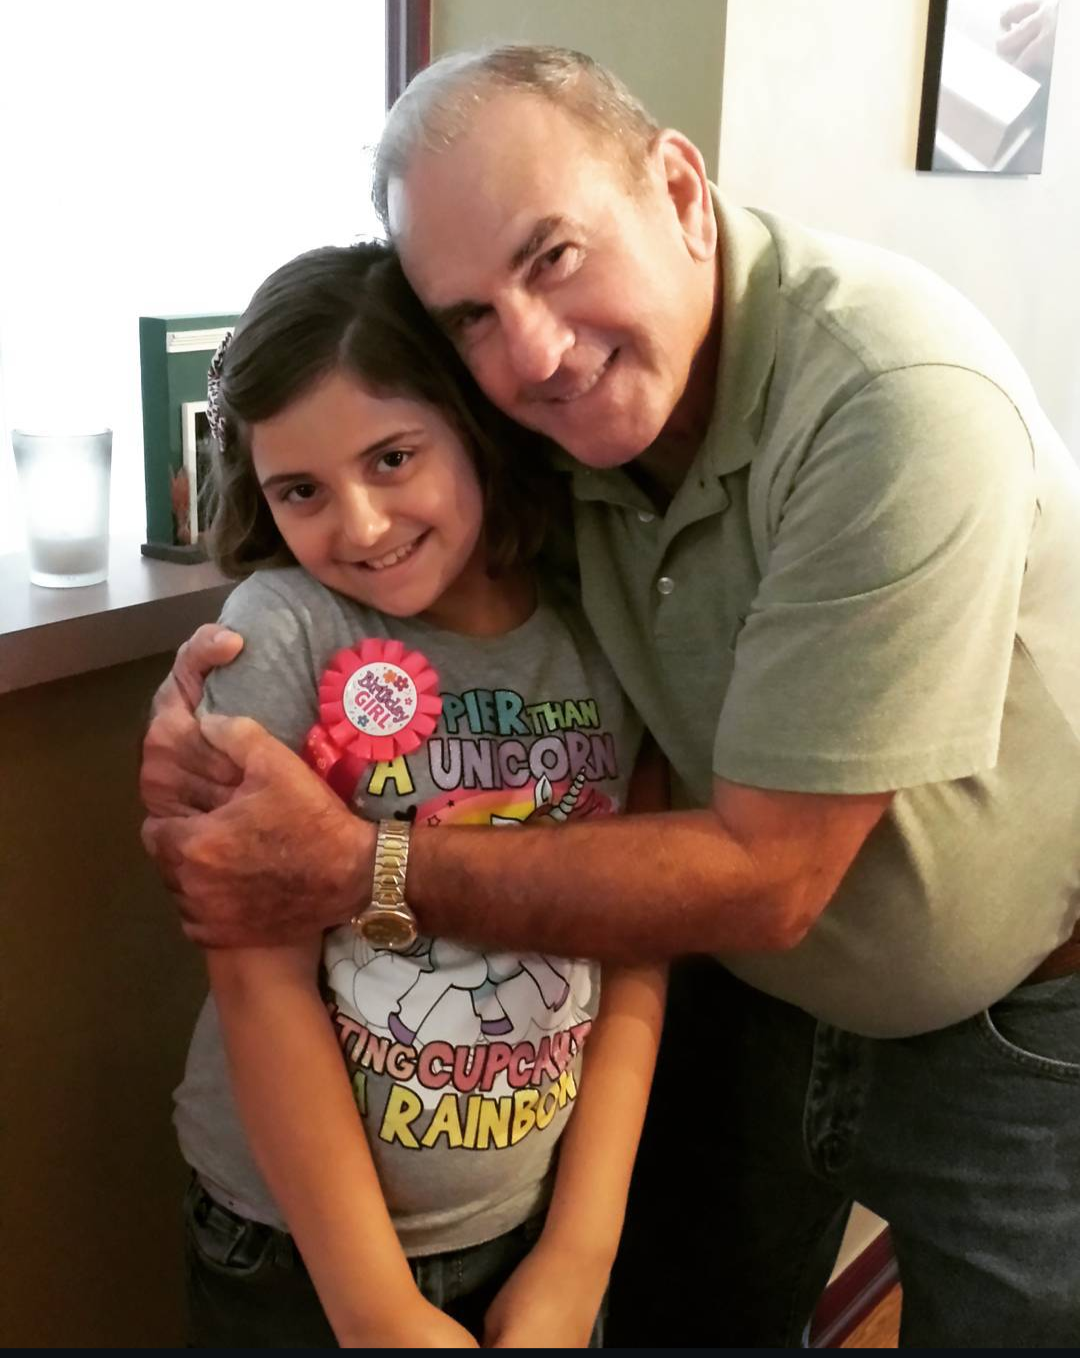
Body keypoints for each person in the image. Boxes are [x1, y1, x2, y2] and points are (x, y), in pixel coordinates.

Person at [142, 46, 1080, 1347]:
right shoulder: (532, 450)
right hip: (729, 1004)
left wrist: (362, 864)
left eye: (555, 255)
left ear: (682, 191)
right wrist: (196, 727)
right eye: (468, 313)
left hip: (1002, 1024)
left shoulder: (892, 402)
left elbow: (768, 874)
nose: (533, 351)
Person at [168, 239, 665, 1348]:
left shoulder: (601, 630)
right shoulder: (282, 631)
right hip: (297, 1252)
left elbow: (637, 946)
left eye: (393, 458)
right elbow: (261, 985)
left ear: (475, 427)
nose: (360, 524)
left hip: (531, 1229)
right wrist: (378, 1309)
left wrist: (580, 1256)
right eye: (302, 488)